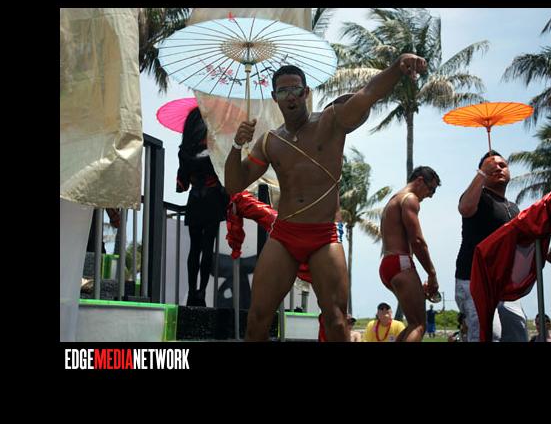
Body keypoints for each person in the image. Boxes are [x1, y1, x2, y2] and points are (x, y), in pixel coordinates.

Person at [225, 54, 427, 341]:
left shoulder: (331, 121)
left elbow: (368, 93)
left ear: (306, 93)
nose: (290, 96)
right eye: (283, 91)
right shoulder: (270, 141)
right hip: (284, 235)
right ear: (274, 98)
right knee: (257, 317)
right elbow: (234, 184)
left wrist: (398, 67)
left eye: (296, 89)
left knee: (336, 320)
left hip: (324, 235)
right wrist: (236, 145)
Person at [454, 150, 528, 342]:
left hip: (504, 283)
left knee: (517, 331)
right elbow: (465, 208)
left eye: (503, 165)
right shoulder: (477, 197)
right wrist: (482, 173)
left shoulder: (513, 208)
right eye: (491, 166)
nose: (498, 168)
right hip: (473, 279)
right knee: (488, 334)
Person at [378, 166, 441, 342]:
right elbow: (417, 241)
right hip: (401, 263)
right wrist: (432, 274)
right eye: (431, 189)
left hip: (388, 264)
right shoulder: (409, 199)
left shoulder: (394, 199)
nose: (431, 195)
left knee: (412, 324)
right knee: (419, 325)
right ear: (420, 181)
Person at [177, 107, 230, 307]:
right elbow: (223, 175)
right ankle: (201, 292)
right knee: (207, 247)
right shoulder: (215, 149)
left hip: (196, 199)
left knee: (195, 248)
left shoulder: (186, 151)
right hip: (213, 199)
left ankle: (193, 291)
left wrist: (189, 178)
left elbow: (181, 185)